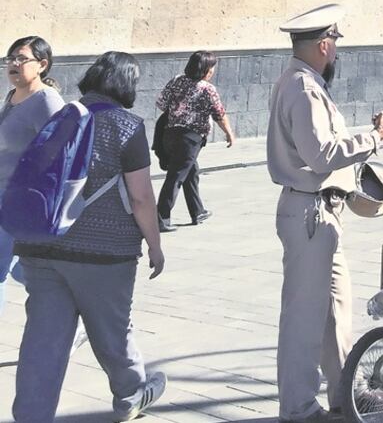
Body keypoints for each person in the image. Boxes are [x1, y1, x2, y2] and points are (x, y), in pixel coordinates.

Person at [12, 52, 167, 422]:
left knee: (42, 341)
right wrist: (156, 246)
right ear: (127, 83)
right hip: (104, 253)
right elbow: (142, 197)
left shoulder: (62, 116)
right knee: (112, 332)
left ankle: (31, 416)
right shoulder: (127, 126)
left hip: (43, 246)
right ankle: (131, 394)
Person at [267, 4, 383, 423]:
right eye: (335, 42)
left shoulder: (304, 84)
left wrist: (363, 135)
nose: (337, 50)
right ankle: (298, 408)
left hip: (322, 212)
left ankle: (345, 394)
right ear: (323, 44)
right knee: (304, 318)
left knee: (336, 309)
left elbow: (323, 142)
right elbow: (321, 154)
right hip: (309, 213)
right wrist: (372, 140)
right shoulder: (302, 88)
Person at [0, 36, 65, 316]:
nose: (13, 64)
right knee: (20, 268)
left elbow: (61, 151)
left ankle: (67, 310)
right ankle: (67, 307)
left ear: (42, 65)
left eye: (21, 58)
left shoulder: (47, 100)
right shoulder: (12, 96)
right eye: (9, 58)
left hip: (18, 202)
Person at [155, 51, 236, 232]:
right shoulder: (207, 89)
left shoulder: (177, 80)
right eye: (212, 67)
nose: (213, 71)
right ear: (206, 69)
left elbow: (161, 103)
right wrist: (229, 132)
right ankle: (160, 217)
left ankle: (197, 211)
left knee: (191, 171)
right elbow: (219, 114)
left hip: (169, 134)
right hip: (190, 139)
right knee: (175, 177)